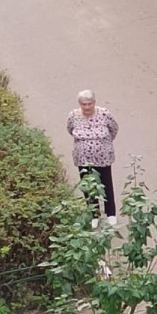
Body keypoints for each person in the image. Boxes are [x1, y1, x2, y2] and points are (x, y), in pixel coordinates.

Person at [66, 90, 118, 226]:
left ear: (94, 103)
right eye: (84, 104)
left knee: (106, 183)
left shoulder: (104, 113)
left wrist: (103, 143)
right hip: (83, 159)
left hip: (103, 157)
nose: (87, 107)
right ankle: (94, 214)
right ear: (80, 104)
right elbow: (70, 129)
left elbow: (114, 129)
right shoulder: (73, 116)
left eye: (89, 104)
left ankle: (111, 213)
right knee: (88, 185)